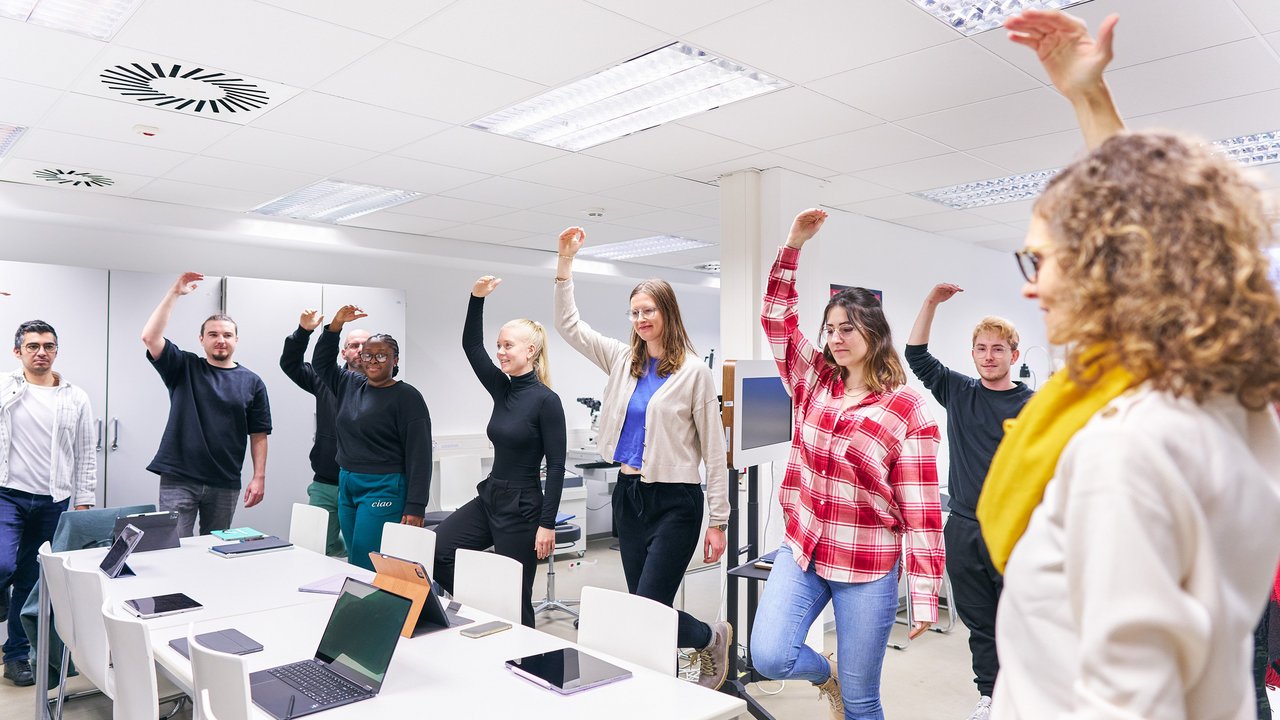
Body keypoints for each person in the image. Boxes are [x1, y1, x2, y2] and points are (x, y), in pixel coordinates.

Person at [980, 10, 1280, 717]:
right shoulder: (1224, 395)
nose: (1030, 283)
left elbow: (1130, 703)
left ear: (1109, 268)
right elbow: (1160, 235)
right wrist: (1089, 99)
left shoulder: (1125, 452)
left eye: (1040, 259)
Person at [754, 208, 945, 720]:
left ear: (875, 333)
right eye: (831, 328)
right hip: (804, 548)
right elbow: (777, 319)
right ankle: (825, 672)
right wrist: (792, 245)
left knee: (862, 703)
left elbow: (923, 511)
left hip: (866, 565)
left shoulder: (906, 409)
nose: (837, 338)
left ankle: (847, 684)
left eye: (849, 328)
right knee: (768, 655)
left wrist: (924, 593)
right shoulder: (814, 379)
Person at [553, 227, 732, 689]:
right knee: (640, 604)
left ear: (667, 312)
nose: (640, 319)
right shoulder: (621, 360)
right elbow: (570, 327)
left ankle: (704, 641)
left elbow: (714, 450)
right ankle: (687, 657)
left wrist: (719, 520)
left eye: (648, 310)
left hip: (677, 502)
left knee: (648, 607)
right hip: (629, 495)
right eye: (634, 312)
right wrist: (565, 264)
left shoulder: (694, 373)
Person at [905, 287, 1033, 720]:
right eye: (981, 348)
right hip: (962, 527)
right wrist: (931, 304)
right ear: (973, 353)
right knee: (980, 623)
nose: (989, 355)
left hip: (1014, 531)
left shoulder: (1032, 405)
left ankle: (1027, 696)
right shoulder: (959, 392)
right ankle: (991, 696)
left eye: (998, 349)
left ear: (1013, 355)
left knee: (1018, 621)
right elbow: (916, 356)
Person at [432, 276, 566, 628]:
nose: (500, 352)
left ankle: (528, 660)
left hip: (523, 509)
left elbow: (556, 467)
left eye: (508, 346)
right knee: (437, 551)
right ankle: (479, 607)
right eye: (499, 346)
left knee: (514, 595)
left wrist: (546, 524)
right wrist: (476, 298)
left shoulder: (546, 402)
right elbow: (471, 345)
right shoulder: (502, 389)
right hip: (490, 496)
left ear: (530, 351)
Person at [0, 320, 96, 686]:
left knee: (31, 580)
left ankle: (16, 656)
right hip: (7, 493)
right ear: (18, 351)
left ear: (56, 351)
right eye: (33, 346)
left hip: (54, 499)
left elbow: (86, 453)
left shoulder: (75, 397)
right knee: (3, 564)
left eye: (49, 346)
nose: (41, 352)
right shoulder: (5, 387)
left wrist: (84, 504)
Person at [142, 272, 271, 537]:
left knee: (215, 551)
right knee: (172, 550)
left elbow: (258, 434)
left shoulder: (252, 382)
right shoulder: (183, 367)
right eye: (213, 334)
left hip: (225, 481)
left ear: (236, 340)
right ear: (202, 339)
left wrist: (259, 477)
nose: (220, 340)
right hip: (179, 478)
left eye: (227, 334)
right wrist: (174, 293)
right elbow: (150, 338)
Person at [313, 305, 430, 572]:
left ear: (395, 360)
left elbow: (420, 454)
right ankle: (363, 609)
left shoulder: (407, 397)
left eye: (381, 355)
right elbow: (320, 363)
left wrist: (416, 506)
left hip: (384, 486)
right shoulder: (348, 384)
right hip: (348, 482)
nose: (373, 360)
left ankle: (371, 610)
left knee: (367, 560)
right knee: (355, 556)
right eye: (368, 355)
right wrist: (334, 327)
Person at [280, 310, 371, 558]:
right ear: (344, 352)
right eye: (354, 345)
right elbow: (290, 364)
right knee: (318, 548)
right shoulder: (323, 379)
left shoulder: (383, 388)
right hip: (326, 482)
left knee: (362, 553)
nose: (360, 350)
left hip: (365, 484)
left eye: (366, 345)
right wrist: (303, 331)